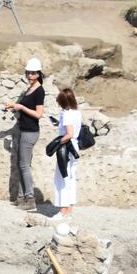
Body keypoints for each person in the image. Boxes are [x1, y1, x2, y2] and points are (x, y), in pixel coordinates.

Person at [5, 57, 45, 209]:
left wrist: (21, 107)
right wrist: (15, 107)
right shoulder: (29, 89)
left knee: (24, 166)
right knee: (22, 165)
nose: (29, 75)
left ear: (38, 74)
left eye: (33, 73)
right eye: (28, 72)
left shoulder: (39, 90)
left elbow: (38, 114)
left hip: (30, 132)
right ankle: (21, 198)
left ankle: (30, 199)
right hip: (24, 130)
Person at [51, 87, 81, 220]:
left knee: (61, 177)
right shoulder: (77, 112)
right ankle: (69, 209)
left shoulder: (67, 113)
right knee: (70, 177)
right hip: (74, 147)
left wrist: (56, 142)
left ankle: (63, 210)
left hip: (66, 148)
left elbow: (69, 134)